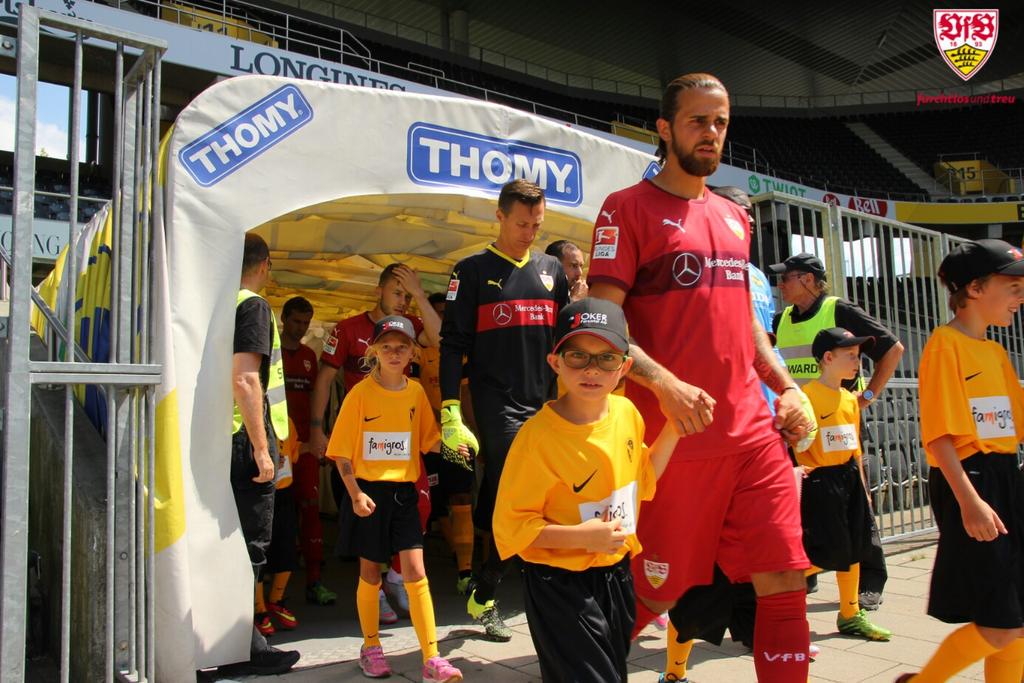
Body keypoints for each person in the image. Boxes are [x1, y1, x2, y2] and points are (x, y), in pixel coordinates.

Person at [588, 72, 814, 682]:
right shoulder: (625, 209)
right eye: (697, 121)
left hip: (752, 436)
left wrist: (789, 388)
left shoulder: (733, 219)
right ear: (665, 129)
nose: (712, 133)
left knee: (784, 577)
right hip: (672, 442)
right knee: (651, 596)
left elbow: (748, 331)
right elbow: (600, 327)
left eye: (720, 122)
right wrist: (664, 384)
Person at [492, 298, 682, 681]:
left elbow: (643, 479)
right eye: (578, 356)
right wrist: (581, 537)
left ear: (625, 367)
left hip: (616, 576)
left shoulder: (627, 414)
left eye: (607, 358)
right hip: (558, 584)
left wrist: (676, 428)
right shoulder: (537, 439)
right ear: (555, 362)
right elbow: (513, 530)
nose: (592, 369)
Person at [439, 178, 570, 641]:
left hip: (546, 404)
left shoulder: (553, 269)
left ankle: (483, 585)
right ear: (499, 216)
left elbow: (566, 341)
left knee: (516, 498)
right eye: (520, 223)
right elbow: (452, 345)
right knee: (523, 493)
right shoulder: (471, 271)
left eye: (536, 224)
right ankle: (494, 589)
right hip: (498, 406)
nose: (529, 232)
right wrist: (450, 409)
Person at [895, 239, 1024, 682]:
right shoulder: (945, 345)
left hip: (1005, 479)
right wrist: (969, 501)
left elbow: (1013, 426)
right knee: (1001, 626)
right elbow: (942, 437)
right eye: (1012, 286)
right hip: (971, 481)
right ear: (973, 288)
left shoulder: (995, 351)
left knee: (1016, 626)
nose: (1020, 297)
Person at [326, 315, 464, 682]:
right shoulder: (359, 394)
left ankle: (432, 658)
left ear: (412, 353)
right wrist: (355, 495)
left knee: (417, 573)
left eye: (401, 346)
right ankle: (371, 647)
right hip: (367, 494)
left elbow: (428, 440)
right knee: (370, 574)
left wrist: (456, 442)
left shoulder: (417, 392)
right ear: (373, 351)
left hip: (404, 493)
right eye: (386, 346)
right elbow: (340, 453)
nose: (394, 352)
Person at [309, 263, 441, 623]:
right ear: (378, 291)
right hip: (362, 448)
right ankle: (378, 591)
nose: (402, 300)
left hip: (405, 446)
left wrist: (418, 295)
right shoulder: (349, 328)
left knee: (420, 511)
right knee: (370, 529)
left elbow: (440, 339)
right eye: (397, 292)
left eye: (407, 293)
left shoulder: (411, 325)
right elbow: (324, 379)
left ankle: (399, 578)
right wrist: (317, 428)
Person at [770, 252, 904, 609]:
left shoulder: (838, 309)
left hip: (840, 419)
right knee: (801, 501)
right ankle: (808, 572)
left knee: (856, 505)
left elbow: (893, 348)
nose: (780, 284)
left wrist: (868, 396)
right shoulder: (779, 319)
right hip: (798, 425)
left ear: (810, 280)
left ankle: (868, 582)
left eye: (788, 277)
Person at [219, 233, 299, 676]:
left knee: (230, 546)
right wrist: (262, 448)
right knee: (249, 549)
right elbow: (247, 379)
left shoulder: (218, 302)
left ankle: (243, 641)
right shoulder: (252, 306)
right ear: (265, 264)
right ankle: (243, 647)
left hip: (223, 437)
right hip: (243, 441)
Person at [799, 327, 891, 641]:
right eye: (850, 356)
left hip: (848, 478)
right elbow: (792, 443)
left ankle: (850, 613)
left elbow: (855, 448)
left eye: (858, 356)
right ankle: (782, 602)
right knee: (825, 551)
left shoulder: (850, 400)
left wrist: (862, 489)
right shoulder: (805, 396)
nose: (857, 362)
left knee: (855, 548)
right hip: (820, 482)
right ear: (827, 358)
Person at [279, 295, 336, 606]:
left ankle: (315, 581)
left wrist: (319, 436)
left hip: (306, 447)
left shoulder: (307, 357)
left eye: (306, 322)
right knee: (279, 516)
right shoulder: (270, 354)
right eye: (297, 321)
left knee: (311, 508)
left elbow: (318, 399)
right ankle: (272, 592)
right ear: (284, 319)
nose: (301, 328)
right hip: (279, 448)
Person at [418, 292, 476, 594]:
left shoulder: (459, 353)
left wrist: (474, 432)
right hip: (425, 441)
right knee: (431, 506)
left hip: (455, 436)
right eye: (435, 312)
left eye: (445, 313)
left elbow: (466, 394)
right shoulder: (414, 351)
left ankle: (465, 570)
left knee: (462, 499)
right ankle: (409, 573)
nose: (440, 319)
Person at [254, 417, 302, 636]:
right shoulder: (252, 421)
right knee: (259, 553)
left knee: (287, 549)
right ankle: (259, 609)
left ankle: (277, 599)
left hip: (284, 493)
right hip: (258, 494)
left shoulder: (287, 422)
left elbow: (293, 454)